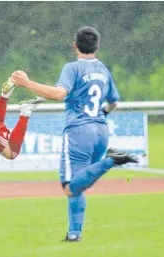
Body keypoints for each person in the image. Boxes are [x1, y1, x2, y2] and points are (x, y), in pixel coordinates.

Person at [11, 26, 138, 242]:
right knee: (79, 186)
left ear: (74, 45)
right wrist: (100, 116)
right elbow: (114, 101)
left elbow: (60, 94)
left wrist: (27, 83)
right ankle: (74, 234)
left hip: (79, 132)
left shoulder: (73, 68)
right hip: (100, 130)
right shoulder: (103, 70)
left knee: (70, 187)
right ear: (97, 46)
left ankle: (111, 161)